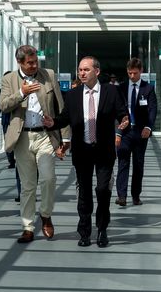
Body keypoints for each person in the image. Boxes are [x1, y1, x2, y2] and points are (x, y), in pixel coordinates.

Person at [46, 56, 127, 248]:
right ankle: (84, 232)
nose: (81, 73)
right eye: (80, 70)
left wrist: (125, 120)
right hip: (82, 151)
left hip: (104, 150)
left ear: (96, 72)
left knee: (102, 190)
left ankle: (102, 230)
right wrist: (53, 123)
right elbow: (65, 117)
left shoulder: (111, 91)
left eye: (86, 70)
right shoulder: (73, 95)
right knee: (84, 193)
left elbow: (122, 112)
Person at [0, 45, 69, 243]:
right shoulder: (9, 79)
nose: (34, 65)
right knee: (27, 186)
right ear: (19, 62)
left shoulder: (49, 75)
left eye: (36, 61)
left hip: (45, 136)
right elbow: (3, 106)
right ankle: (27, 226)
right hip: (22, 138)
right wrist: (21, 93)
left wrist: (65, 137)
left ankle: (46, 215)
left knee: (48, 179)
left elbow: (60, 106)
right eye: (30, 63)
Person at [115, 57, 158, 207]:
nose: (132, 76)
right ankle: (121, 196)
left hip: (141, 133)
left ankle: (135, 195)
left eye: (134, 73)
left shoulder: (148, 89)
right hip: (125, 132)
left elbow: (152, 110)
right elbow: (116, 111)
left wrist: (149, 127)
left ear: (141, 71)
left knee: (138, 165)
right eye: (129, 73)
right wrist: (117, 133)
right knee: (123, 162)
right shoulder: (120, 87)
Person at [0, 73, 22, 202]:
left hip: (19, 124)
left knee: (22, 162)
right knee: (9, 145)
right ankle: (11, 160)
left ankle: (22, 191)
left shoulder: (20, 88)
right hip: (7, 123)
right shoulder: (2, 90)